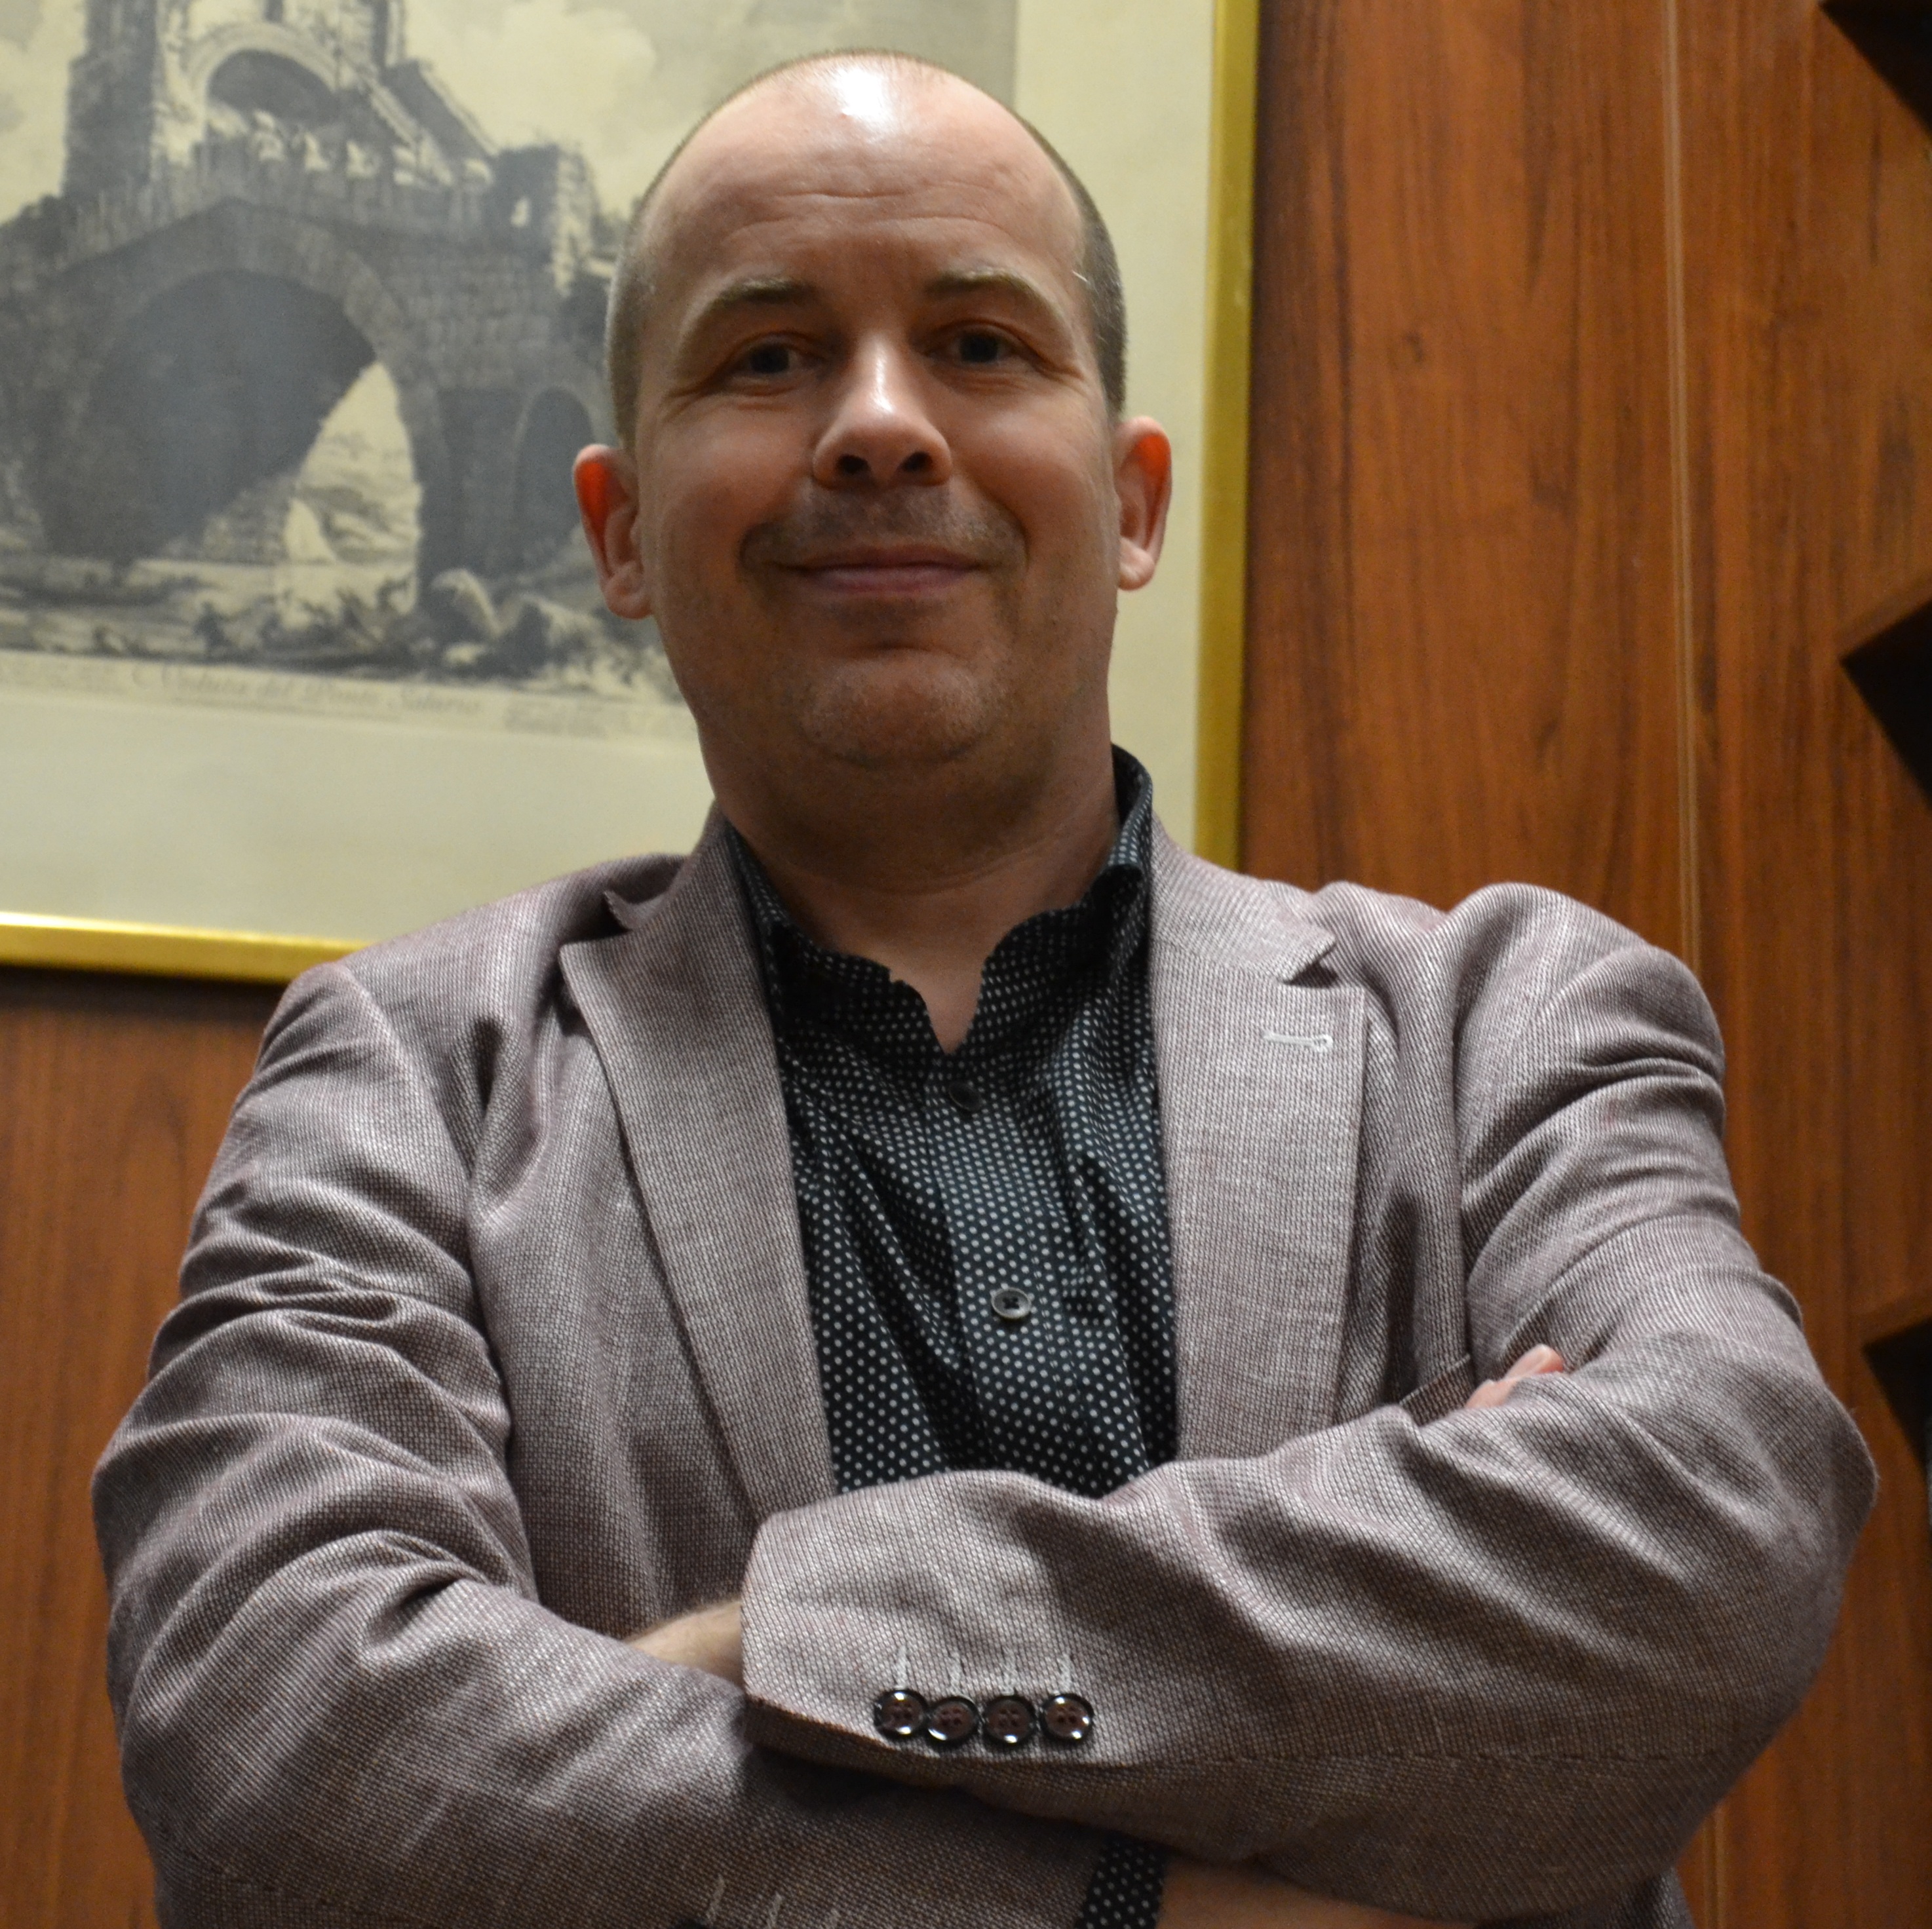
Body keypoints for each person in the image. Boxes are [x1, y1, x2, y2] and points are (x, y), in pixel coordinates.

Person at [94, 50, 1873, 1929]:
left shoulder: (1502, 1023)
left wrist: (771, 1646)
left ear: (1131, 500)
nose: (878, 426)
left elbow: (1721, 1536)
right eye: (768, 357)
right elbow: (274, 1733)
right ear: (619, 531)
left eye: (978, 344)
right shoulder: (407, 1075)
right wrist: (1152, 1910)